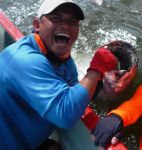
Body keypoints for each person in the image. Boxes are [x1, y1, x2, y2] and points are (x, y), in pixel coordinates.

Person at [0, 0, 118, 149]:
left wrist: (105, 90)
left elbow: (74, 93)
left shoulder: (62, 58)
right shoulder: (24, 60)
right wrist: (96, 69)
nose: (65, 26)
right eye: (56, 18)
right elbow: (65, 115)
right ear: (37, 25)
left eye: (72, 21)